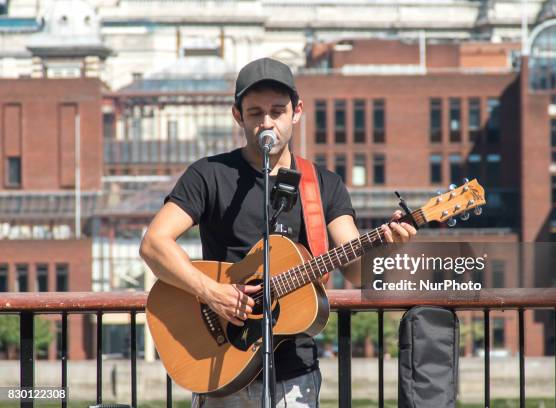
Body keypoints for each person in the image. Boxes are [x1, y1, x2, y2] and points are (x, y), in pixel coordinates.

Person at [139, 57, 417, 407]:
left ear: (296, 112)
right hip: (222, 365)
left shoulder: (323, 185)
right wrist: (213, 293)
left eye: (277, 111)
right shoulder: (209, 175)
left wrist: (387, 247)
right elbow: (153, 244)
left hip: (294, 372)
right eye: (255, 113)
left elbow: (354, 268)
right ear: (237, 115)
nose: (266, 122)